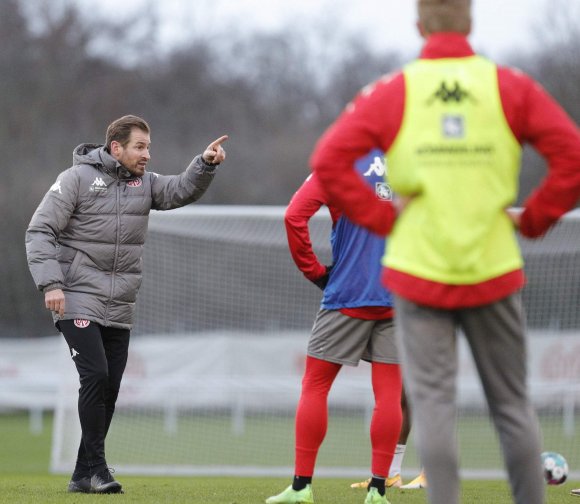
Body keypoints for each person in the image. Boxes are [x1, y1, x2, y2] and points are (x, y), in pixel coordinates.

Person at [309, 1, 580, 503]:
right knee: (512, 406)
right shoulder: (510, 86)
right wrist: (536, 220)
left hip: (418, 272)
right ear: (471, 23)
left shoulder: (395, 90)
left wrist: (382, 218)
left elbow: (328, 160)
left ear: (419, 26)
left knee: (432, 404)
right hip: (493, 269)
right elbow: (573, 158)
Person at [25, 115, 227, 494]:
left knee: (110, 388)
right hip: (76, 297)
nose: (147, 155)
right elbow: (39, 231)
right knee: (96, 375)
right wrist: (51, 283)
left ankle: (82, 474)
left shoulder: (146, 184)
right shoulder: (76, 180)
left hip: (119, 304)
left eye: (148, 147)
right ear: (116, 148)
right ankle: (99, 470)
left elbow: (180, 190)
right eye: (140, 146)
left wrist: (204, 164)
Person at [266, 150, 402, 504]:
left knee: (315, 386)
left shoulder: (340, 160)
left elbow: (294, 216)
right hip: (400, 296)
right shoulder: (415, 158)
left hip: (347, 295)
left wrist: (314, 271)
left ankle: (301, 488)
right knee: (389, 395)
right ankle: (377, 491)